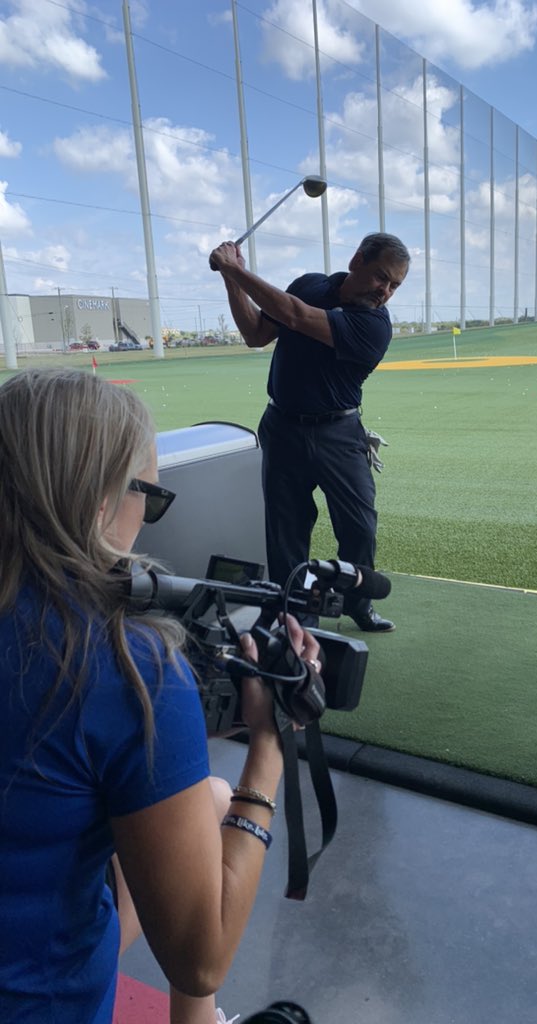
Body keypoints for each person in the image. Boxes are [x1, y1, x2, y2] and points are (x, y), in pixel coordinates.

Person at [0, 368, 320, 1024]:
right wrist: (268, 750)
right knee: (225, 808)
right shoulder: (127, 664)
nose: (146, 513)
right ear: (98, 498)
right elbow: (200, 959)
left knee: (203, 797)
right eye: (149, 492)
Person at [210, 231, 410, 632]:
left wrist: (234, 267)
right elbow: (255, 333)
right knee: (286, 530)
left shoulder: (373, 325)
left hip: (339, 433)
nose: (384, 291)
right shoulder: (309, 285)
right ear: (356, 260)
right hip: (281, 427)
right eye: (380, 277)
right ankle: (294, 613)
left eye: (394, 286)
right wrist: (232, 280)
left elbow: (296, 316)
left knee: (358, 527)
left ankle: (357, 601)